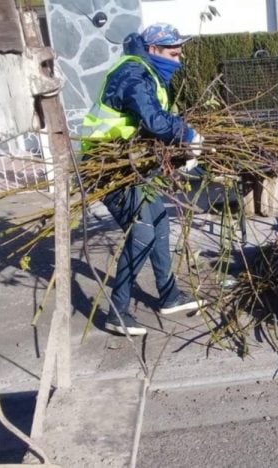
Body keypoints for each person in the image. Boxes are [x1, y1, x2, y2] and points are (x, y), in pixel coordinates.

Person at [82, 23, 204, 336]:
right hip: (108, 167)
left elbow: (148, 128)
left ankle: (170, 295)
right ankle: (117, 313)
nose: (178, 61)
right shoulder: (132, 73)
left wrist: (179, 152)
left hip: (133, 165)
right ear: (152, 50)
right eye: (173, 54)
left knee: (160, 223)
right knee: (141, 235)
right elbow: (151, 118)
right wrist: (187, 134)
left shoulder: (148, 75)